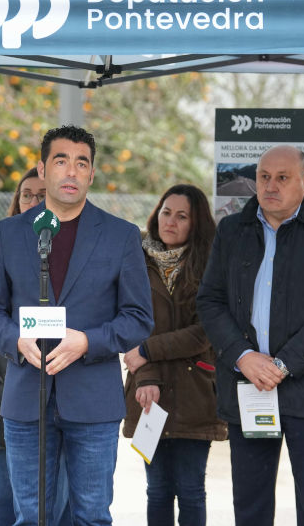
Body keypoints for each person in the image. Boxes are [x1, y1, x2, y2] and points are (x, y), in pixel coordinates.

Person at [0, 125, 154, 526]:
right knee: (31, 518)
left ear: (92, 173)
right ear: (43, 170)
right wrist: (16, 340)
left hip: (93, 401)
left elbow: (139, 318)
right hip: (26, 397)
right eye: (61, 161)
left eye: (82, 163)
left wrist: (88, 342)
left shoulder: (121, 235)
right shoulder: (10, 233)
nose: (72, 171)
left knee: (91, 516)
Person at [196, 145, 304, 526]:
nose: (270, 186)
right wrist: (243, 356)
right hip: (249, 386)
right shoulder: (232, 230)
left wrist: (282, 365)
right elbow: (210, 300)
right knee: (250, 505)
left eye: (282, 178)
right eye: (264, 177)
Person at [122, 184, 227, 526]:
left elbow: (204, 332)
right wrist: (146, 376)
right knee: (157, 490)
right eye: (166, 212)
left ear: (196, 223)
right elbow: (131, 323)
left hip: (195, 393)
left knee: (191, 490)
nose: (170, 221)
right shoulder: (136, 261)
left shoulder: (211, 265)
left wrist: (148, 350)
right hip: (147, 393)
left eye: (182, 216)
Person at [0, 167, 72, 526]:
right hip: (9, 391)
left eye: (41, 195)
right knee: (8, 503)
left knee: (56, 505)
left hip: (61, 392)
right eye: (26, 195)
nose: (32, 202)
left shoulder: (72, 254)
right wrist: (23, 367)